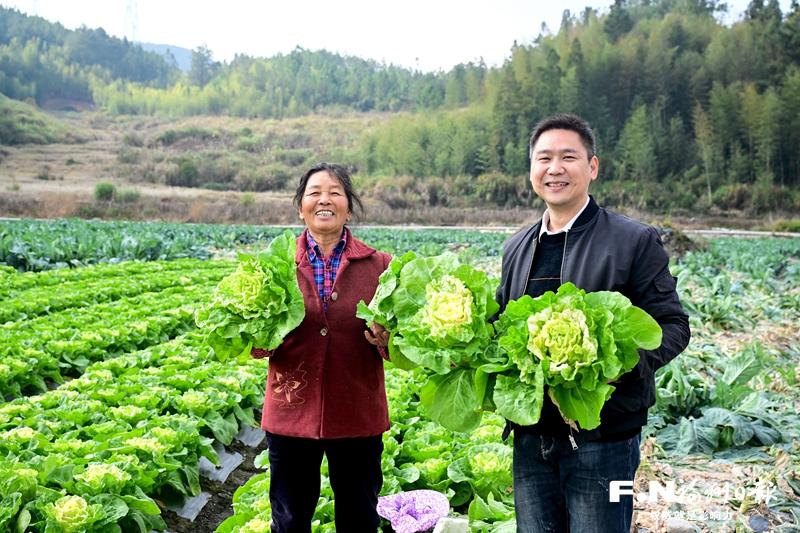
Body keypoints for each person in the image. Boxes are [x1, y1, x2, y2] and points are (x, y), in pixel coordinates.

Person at [495, 114, 691, 533]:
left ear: (593, 167)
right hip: (532, 440)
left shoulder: (633, 240)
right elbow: (500, 332)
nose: (555, 169)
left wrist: (619, 363)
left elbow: (673, 325)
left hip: (605, 440)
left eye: (569, 157)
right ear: (532, 169)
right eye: (544, 158)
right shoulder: (517, 247)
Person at [251, 162, 391, 533]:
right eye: (314, 193)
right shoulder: (273, 267)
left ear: (349, 205)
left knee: (359, 517)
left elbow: (405, 342)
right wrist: (259, 338)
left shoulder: (381, 266)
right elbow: (249, 338)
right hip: (291, 413)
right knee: (290, 519)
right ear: (301, 207)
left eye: (335, 192)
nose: (324, 200)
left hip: (358, 412)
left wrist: (390, 341)